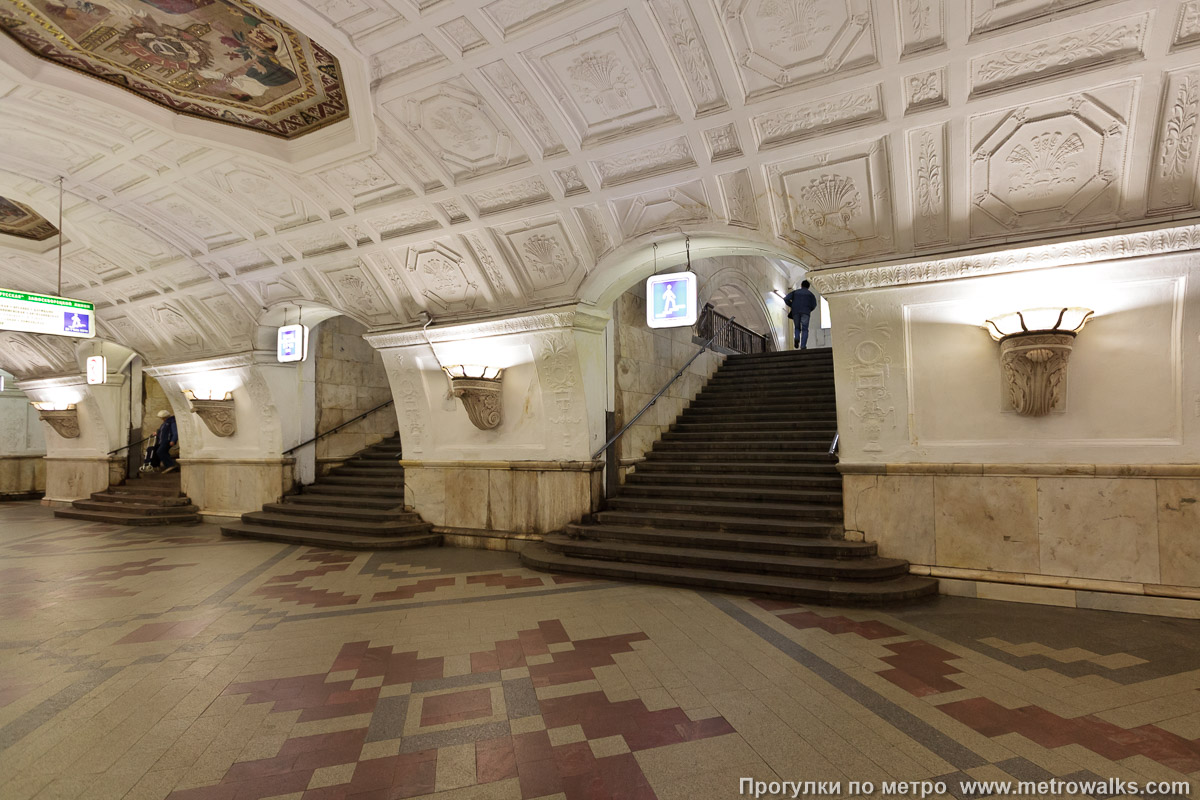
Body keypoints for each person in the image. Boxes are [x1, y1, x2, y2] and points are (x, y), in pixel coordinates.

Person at [784, 280, 818, 349]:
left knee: (797, 327)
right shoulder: (811, 294)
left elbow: (786, 298)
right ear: (808, 287)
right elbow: (814, 305)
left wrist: (792, 305)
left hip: (795, 312)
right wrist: (808, 309)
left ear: (801, 285)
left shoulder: (795, 292)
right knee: (805, 329)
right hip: (806, 312)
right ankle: (803, 346)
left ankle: (797, 338)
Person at [150, 409, 179, 473]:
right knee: (163, 452)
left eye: (162, 418)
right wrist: (157, 433)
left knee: (160, 452)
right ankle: (171, 466)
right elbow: (163, 431)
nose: (162, 419)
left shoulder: (172, 422)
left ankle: (170, 465)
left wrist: (173, 440)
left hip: (167, 441)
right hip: (163, 441)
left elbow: (175, 432)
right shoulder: (166, 423)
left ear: (165, 417)